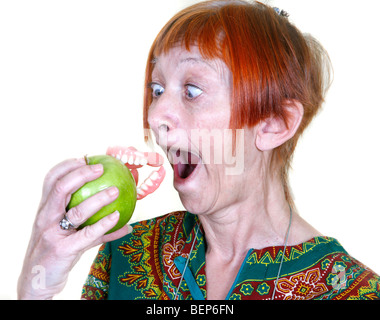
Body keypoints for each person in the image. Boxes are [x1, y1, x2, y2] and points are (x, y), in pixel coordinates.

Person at [18, 0, 380, 300]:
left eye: (192, 90)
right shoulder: (127, 252)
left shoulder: (352, 292)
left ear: (274, 124)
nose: (156, 115)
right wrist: (37, 286)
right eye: (157, 90)